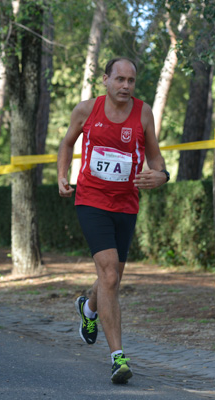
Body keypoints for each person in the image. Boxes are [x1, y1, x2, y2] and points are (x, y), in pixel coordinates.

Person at [57, 57, 169, 384]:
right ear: (105, 79)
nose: (125, 86)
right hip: (91, 199)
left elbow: (155, 155)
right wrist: (62, 175)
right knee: (108, 274)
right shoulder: (85, 110)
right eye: (119, 79)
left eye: (131, 81)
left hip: (126, 203)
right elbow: (66, 143)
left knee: (112, 280)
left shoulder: (143, 112)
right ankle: (118, 357)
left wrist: (162, 174)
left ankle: (88, 307)